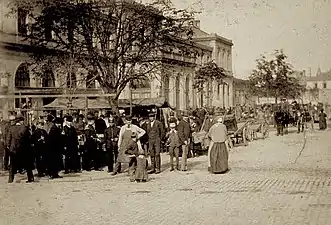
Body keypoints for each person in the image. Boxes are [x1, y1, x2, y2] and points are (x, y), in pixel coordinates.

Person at [7, 116, 34, 183]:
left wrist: (9, 146)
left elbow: (8, 139)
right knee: (28, 164)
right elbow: (29, 139)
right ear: (21, 121)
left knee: (12, 165)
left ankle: (10, 179)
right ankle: (30, 178)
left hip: (13, 149)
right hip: (23, 149)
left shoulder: (11, 128)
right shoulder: (24, 128)